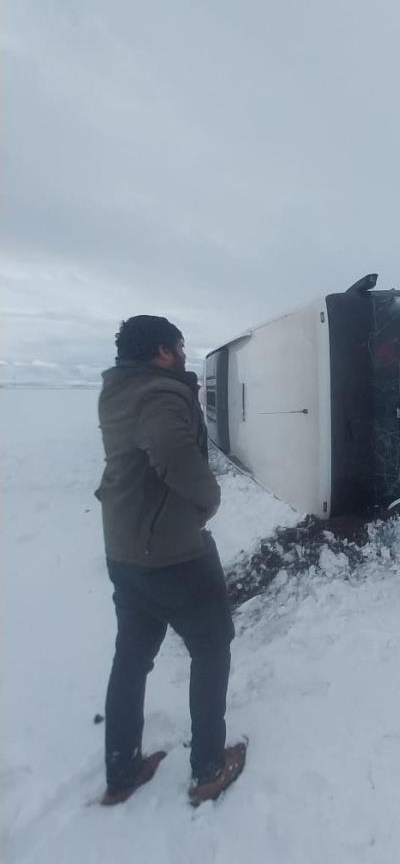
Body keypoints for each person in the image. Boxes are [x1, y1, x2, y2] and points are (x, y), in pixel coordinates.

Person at [96, 315, 246, 807]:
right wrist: (207, 500)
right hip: (174, 555)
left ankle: (122, 770)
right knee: (211, 648)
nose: (184, 352)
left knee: (132, 658)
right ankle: (208, 768)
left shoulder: (118, 389)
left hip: (125, 552)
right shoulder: (159, 393)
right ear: (163, 351)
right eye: (179, 345)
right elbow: (170, 449)